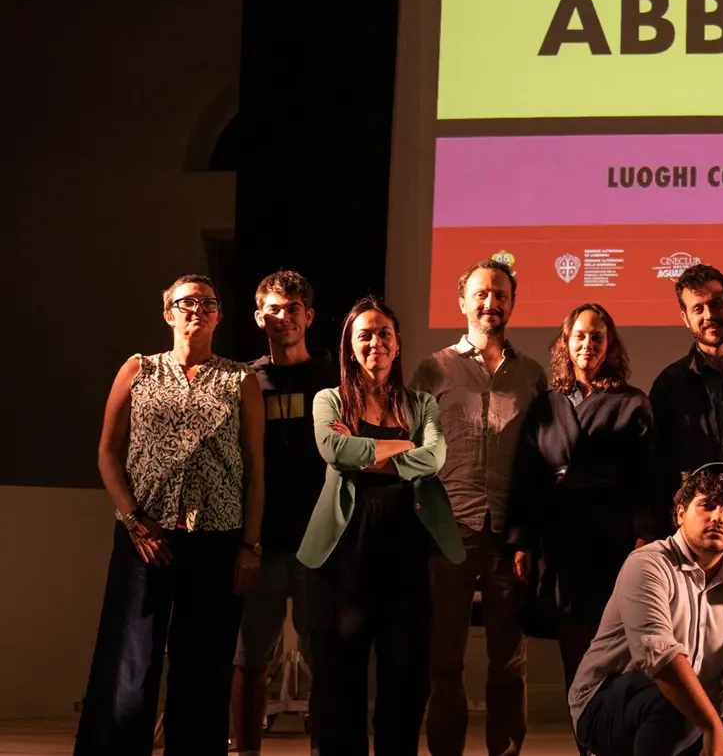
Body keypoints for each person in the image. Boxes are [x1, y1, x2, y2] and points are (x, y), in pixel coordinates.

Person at [75, 274, 265, 756]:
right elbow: (106, 453)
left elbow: (255, 470)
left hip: (217, 541)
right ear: (168, 312)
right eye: (186, 302)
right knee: (131, 665)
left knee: (203, 667)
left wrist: (250, 546)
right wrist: (134, 520)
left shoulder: (239, 379)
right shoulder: (139, 370)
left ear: (219, 315)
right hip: (146, 537)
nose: (197, 310)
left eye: (208, 303)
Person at [296, 296, 465, 756]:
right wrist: (397, 449)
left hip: (405, 558)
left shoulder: (421, 402)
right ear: (350, 346)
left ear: (397, 343)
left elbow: (433, 458)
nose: (376, 342)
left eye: (384, 333)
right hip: (341, 559)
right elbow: (334, 451)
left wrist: (367, 451)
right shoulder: (329, 399)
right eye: (365, 334)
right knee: (338, 686)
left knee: (406, 683)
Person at [411, 259, 548, 756]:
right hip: (447, 530)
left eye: (501, 294)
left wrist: (529, 534)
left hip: (507, 536)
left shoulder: (532, 375)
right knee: (444, 657)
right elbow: (412, 450)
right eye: (482, 294)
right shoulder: (433, 368)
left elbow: (540, 461)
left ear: (512, 303)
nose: (491, 303)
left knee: (508, 662)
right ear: (463, 302)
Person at [511, 302, 656, 719]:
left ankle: (614, 736)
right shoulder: (547, 404)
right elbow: (527, 475)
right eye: (580, 335)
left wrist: (643, 536)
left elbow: (646, 476)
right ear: (566, 343)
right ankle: (585, 739)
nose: (588, 343)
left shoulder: (632, 402)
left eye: (597, 336)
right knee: (573, 653)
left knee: (613, 649)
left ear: (609, 344)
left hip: (611, 540)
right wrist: (521, 540)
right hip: (560, 541)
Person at [570, 463, 723, 756]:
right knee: (677, 705)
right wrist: (711, 726)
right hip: (605, 704)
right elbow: (658, 657)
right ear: (681, 514)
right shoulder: (647, 564)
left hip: (690, 719)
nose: (717, 517)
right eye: (707, 506)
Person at [230, 270, 339, 756]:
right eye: (273, 309)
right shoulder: (244, 381)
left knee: (326, 660)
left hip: (320, 546)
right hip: (263, 544)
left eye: (292, 308)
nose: (283, 316)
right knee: (249, 659)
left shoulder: (334, 378)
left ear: (308, 316)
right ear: (259, 318)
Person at [649, 263, 723, 549]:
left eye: (716, 304)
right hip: (695, 535)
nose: (709, 316)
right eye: (698, 309)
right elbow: (657, 468)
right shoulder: (668, 385)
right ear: (685, 318)